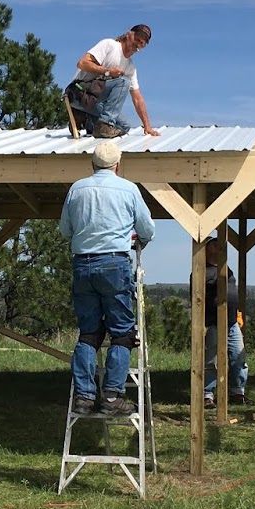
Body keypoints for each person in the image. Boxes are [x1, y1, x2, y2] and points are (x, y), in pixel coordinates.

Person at [58, 138, 156, 418]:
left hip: (82, 264)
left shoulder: (77, 188)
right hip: (114, 263)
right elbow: (147, 228)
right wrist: (137, 239)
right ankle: (112, 397)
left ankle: (85, 397)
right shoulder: (128, 189)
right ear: (118, 164)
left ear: (92, 163)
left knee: (89, 333)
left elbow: (65, 230)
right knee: (123, 333)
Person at [69, 24, 161, 139]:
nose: (138, 44)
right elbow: (82, 63)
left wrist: (147, 127)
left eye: (142, 43)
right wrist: (107, 72)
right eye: (137, 39)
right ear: (128, 35)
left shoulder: (130, 67)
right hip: (78, 93)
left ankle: (87, 119)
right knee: (123, 82)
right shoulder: (110, 45)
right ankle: (104, 124)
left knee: (124, 126)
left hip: (94, 102)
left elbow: (137, 98)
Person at [202, 235, 248, 408]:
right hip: (213, 322)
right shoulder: (201, 271)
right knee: (211, 360)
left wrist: (237, 314)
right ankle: (207, 395)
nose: (217, 247)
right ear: (206, 250)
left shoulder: (226, 269)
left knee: (238, 356)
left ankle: (237, 392)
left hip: (231, 322)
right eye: (213, 245)